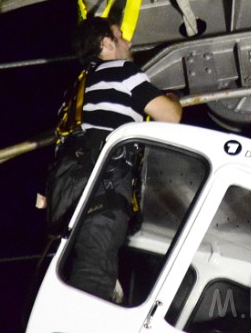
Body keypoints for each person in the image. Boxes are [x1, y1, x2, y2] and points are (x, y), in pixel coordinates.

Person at [46, 16, 182, 302]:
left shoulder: (75, 92)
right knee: (95, 272)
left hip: (65, 187)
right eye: (121, 36)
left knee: (88, 268)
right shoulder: (121, 70)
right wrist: (173, 98)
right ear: (106, 44)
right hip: (100, 181)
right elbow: (170, 116)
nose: (129, 42)